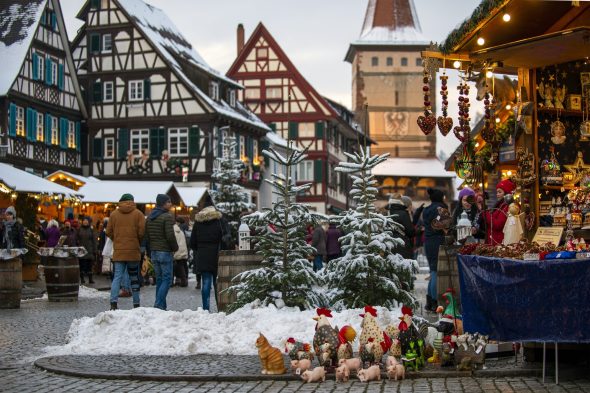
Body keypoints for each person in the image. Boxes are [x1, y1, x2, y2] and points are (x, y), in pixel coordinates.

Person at [106, 193, 145, 310]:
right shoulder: (138, 214)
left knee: (117, 277)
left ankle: (113, 302)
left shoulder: (114, 215)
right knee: (134, 277)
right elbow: (142, 232)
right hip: (133, 251)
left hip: (119, 251)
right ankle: (136, 303)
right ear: (132, 201)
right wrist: (136, 240)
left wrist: (116, 239)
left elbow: (108, 232)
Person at [144, 194, 178, 310]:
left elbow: (147, 236)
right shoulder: (166, 217)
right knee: (167, 280)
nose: (170, 204)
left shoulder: (150, 217)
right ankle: (158, 305)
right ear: (163, 203)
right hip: (164, 251)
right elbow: (170, 236)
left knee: (159, 279)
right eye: (168, 202)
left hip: (154, 251)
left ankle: (161, 307)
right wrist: (175, 248)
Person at [190, 194, 223, 312]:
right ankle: (220, 307)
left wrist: (198, 249)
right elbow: (222, 236)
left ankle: (205, 308)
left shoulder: (198, 221)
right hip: (216, 254)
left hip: (203, 255)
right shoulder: (218, 220)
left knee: (206, 282)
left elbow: (192, 241)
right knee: (217, 283)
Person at [417, 188, 447, 312]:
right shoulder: (440, 209)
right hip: (438, 241)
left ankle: (429, 302)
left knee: (433, 271)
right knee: (436, 271)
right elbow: (443, 224)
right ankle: (435, 302)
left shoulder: (427, 209)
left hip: (428, 242)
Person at [480, 179, 516, 245]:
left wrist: (485, 213)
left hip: (499, 243)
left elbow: (498, 224)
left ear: (507, 193)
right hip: (494, 242)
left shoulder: (509, 207)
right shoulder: (500, 205)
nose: (497, 194)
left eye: (500, 192)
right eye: (497, 192)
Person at [388, 193, 416, 259]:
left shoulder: (388, 212)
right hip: (402, 245)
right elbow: (410, 232)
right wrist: (418, 231)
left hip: (390, 244)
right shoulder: (403, 213)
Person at [77, 217, 97, 284]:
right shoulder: (79, 229)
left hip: (89, 250)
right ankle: (82, 279)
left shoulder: (91, 230)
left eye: (86, 221)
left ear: (88, 222)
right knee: (82, 265)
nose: (85, 222)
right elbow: (77, 239)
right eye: (84, 221)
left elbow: (94, 240)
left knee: (90, 265)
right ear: (82, 222)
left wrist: (95, 250)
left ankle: (90, 279)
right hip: (81, 250)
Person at [173, 217, 189, 287]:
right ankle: (184, 280)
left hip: (177, 249)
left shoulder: (175, 229)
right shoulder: (183, 229)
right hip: (183, 249)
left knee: (178, 265)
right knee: (183, 265)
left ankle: (182, 281)